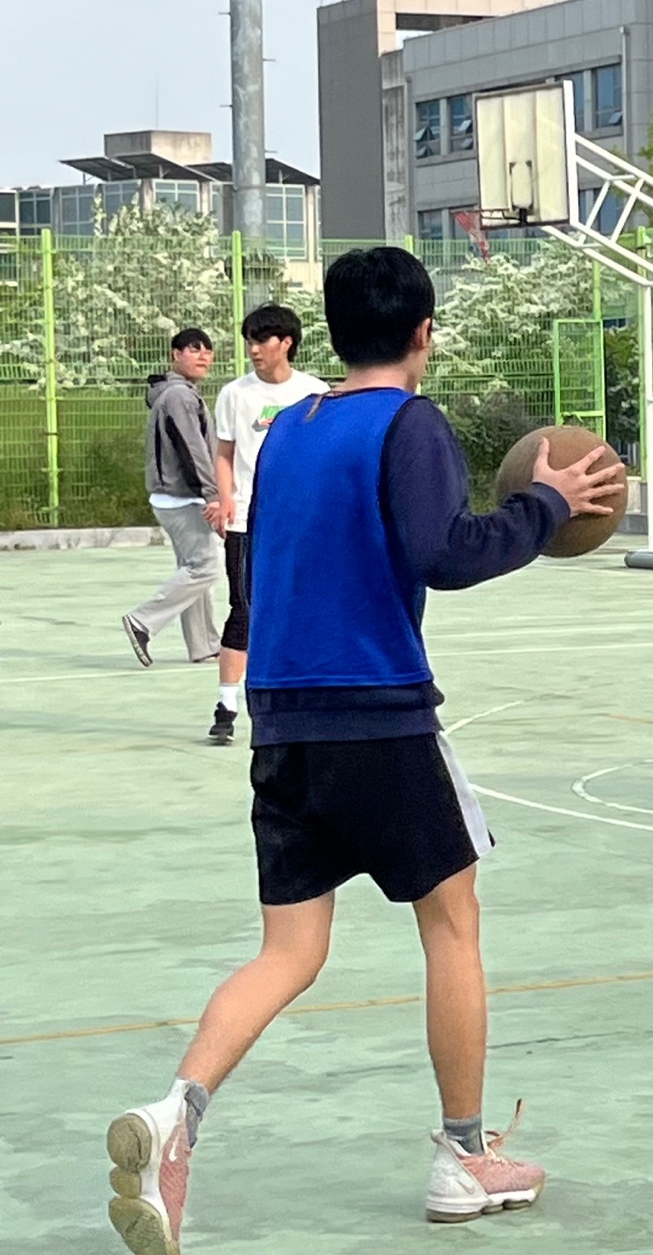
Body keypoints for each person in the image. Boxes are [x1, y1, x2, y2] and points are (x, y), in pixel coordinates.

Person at [104, 247, 625, 1253]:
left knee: (289, 951)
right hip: (378, 714)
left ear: (332, 337)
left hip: (282, 721)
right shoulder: (409, 423)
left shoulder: (292, 429)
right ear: (426, 333)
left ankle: (176, 1116)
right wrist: (546, 505)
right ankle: (464, 1157)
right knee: (453, 923)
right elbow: (445, 552)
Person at [207, 304, 329, 746]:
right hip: (246, 521)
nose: (254, 349)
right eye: (250, 341)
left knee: (304, 606)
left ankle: (304, 697)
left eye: (262, 340)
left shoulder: (315, 392)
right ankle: (227, 705)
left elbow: (324, 454)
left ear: (287, 343)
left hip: (300, 522)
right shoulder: (234, 395)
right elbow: (224, 454)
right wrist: (224, 499)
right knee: (245, 608)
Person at [121, 328, 224, 667]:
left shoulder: (176, 393)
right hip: (182, 498)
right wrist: (212, 495)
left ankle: (205, 646)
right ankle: (143, 621)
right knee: (205, 567)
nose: (203, 356)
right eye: (194, 349)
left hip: (174, 496)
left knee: (193, 568)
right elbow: (192, 450)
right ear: (175, 354)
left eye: (207, 350)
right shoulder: (179, 396)